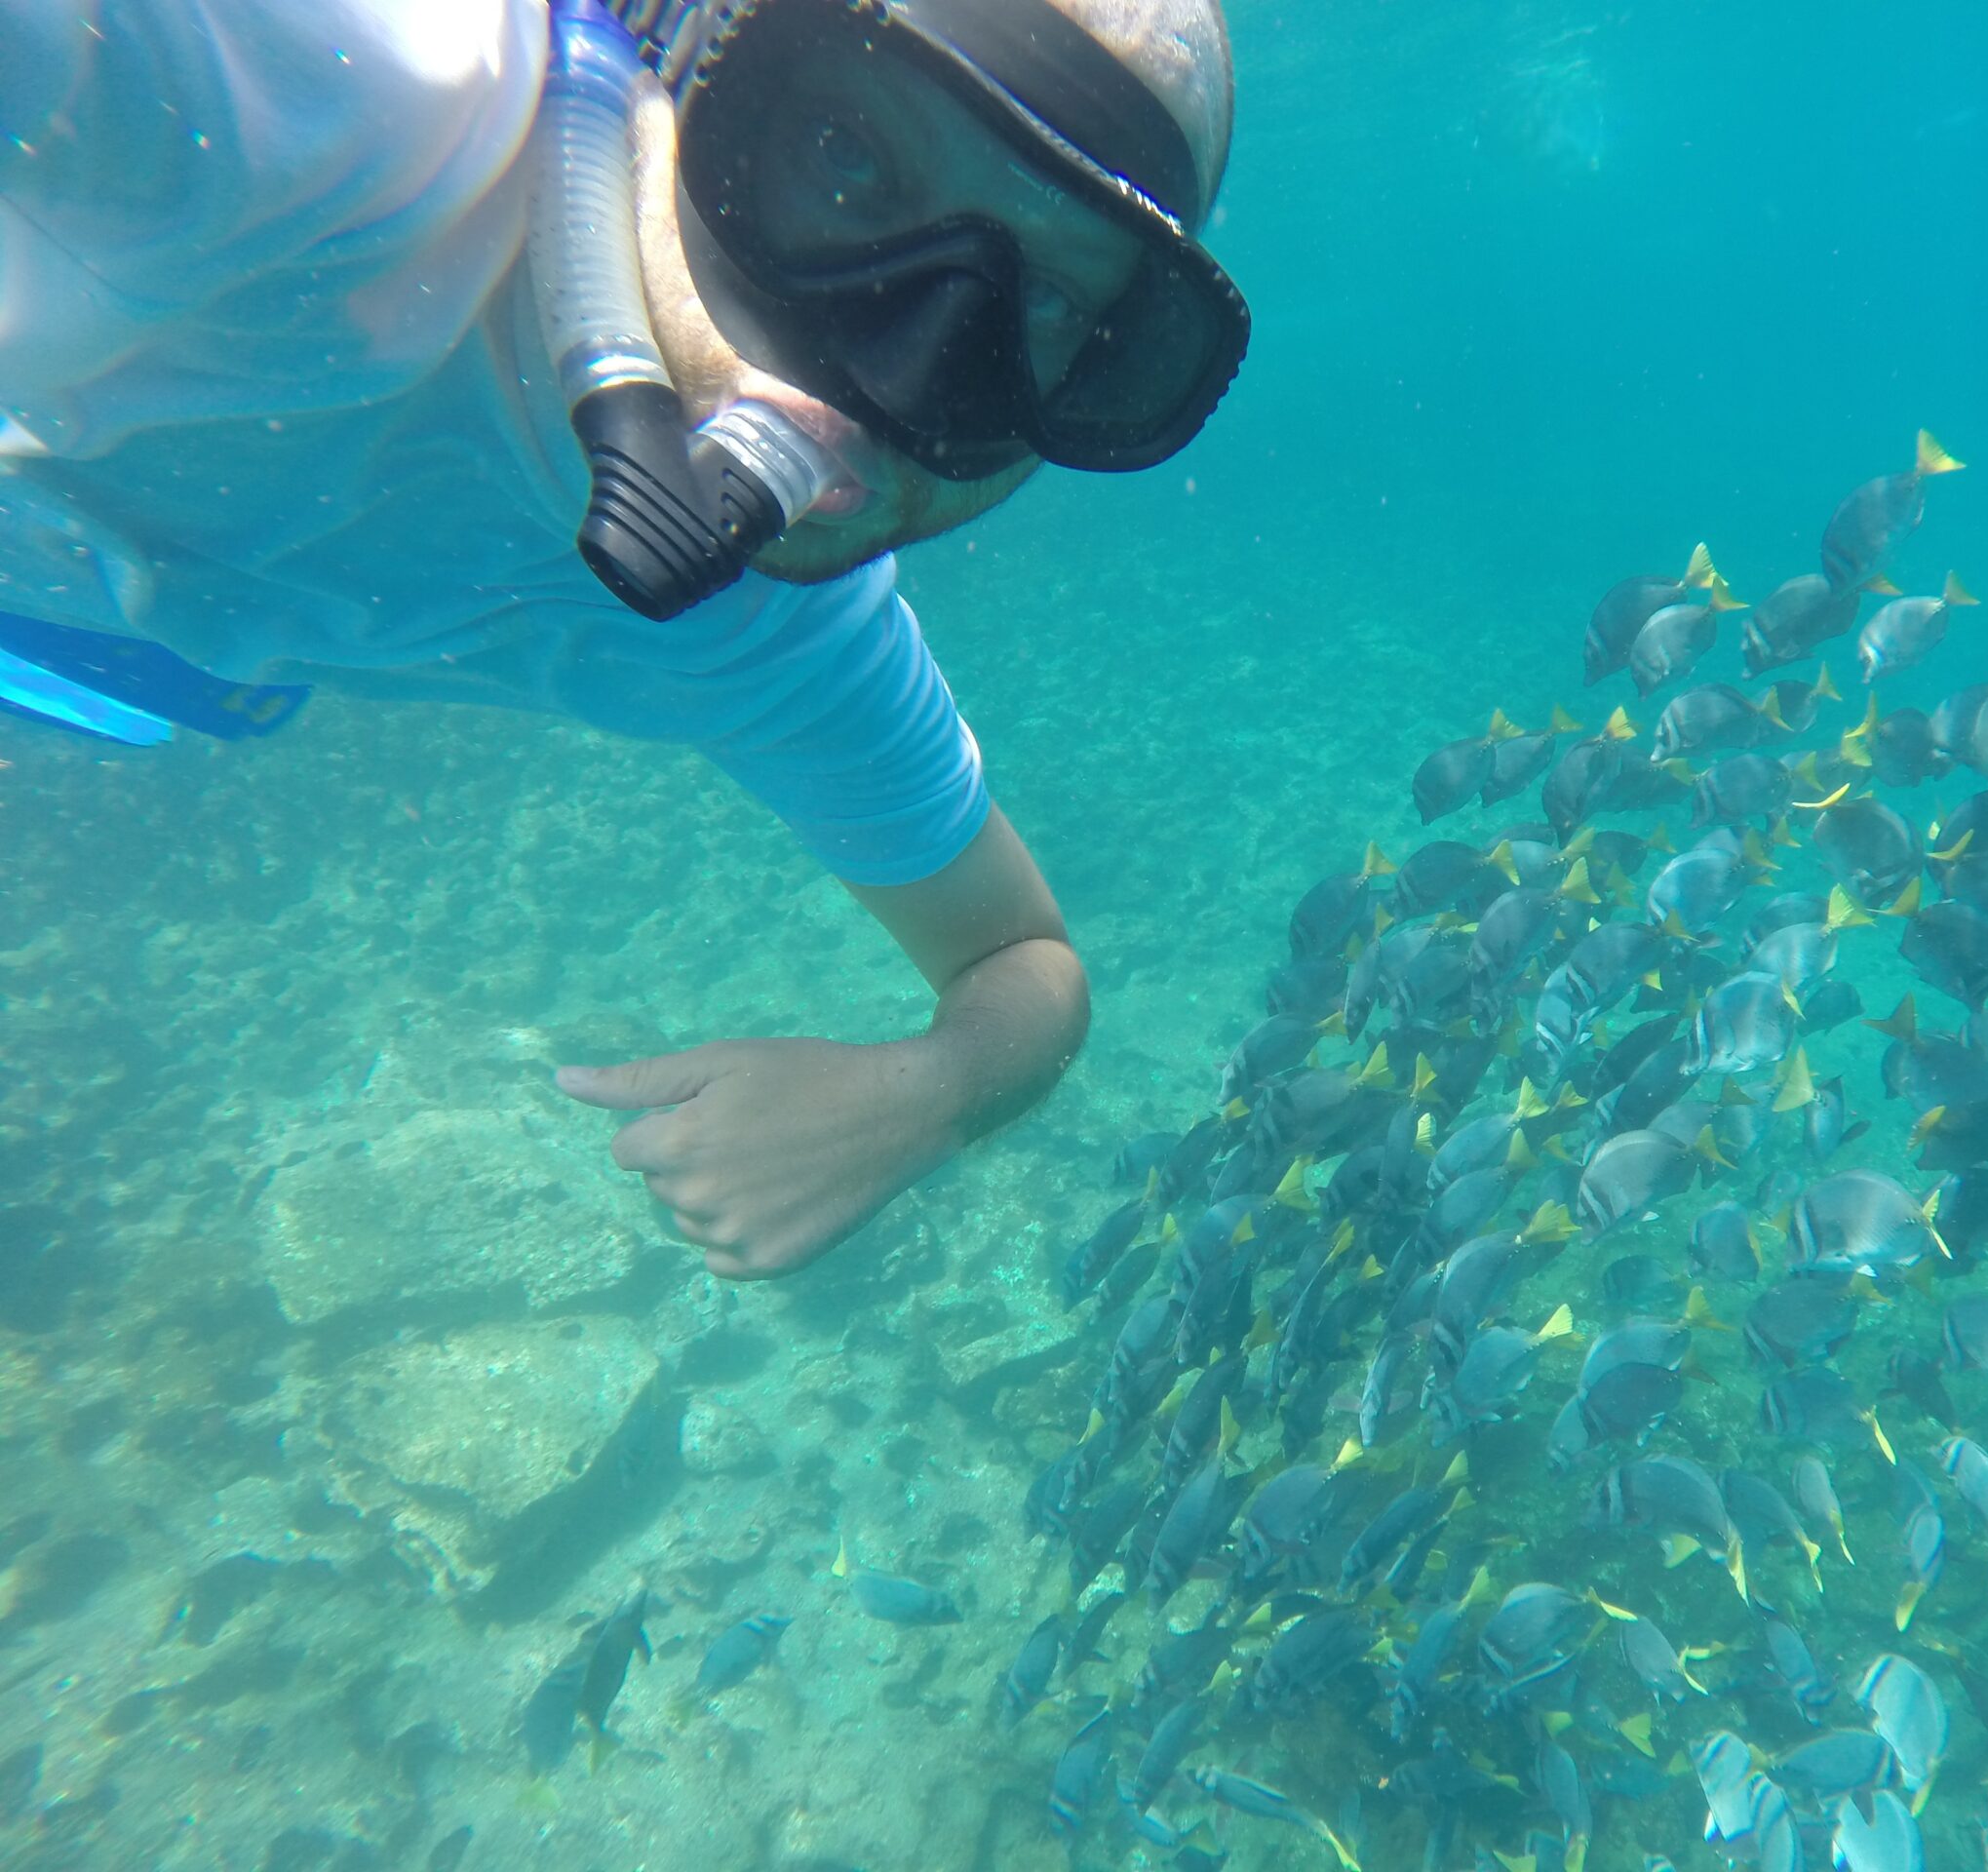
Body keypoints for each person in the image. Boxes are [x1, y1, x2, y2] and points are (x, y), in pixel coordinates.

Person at [0, 0, 1248, 1277]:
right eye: (847, 160)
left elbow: (1021, 964)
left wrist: (924, 1097)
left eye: (1037, 313)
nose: (904, 358)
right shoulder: (353, 94)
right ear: (686, 53)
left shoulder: (773, 630)